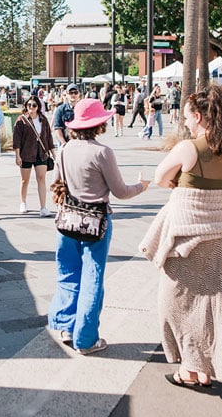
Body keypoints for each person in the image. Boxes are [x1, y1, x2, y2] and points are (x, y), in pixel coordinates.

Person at [140, 85, 222, 388]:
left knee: (176, 303)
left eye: (188, 117)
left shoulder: (190, 148)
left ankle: (189, 369)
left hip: (188, 237)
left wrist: (179, 183)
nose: (186, 123)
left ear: (199, 117)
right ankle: (203, 368)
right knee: (211, 306)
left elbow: (161, 177)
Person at [48, 98, 149, 355]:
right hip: (95, 221)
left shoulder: (65, 149)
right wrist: (141, 187)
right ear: (99, 124)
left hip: (67, 218)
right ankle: (86, 339)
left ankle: (66, 326)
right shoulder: (102, 152)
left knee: (68, 272)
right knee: (92, 276)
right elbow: (120, 191)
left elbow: (57, 182)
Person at [12, 95, 55, 217]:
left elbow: (49, 137)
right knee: (24, 180)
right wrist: (17, 155)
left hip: (41, 153)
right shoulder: (21, 120)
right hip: (26, 153)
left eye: (34, 105)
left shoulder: (43, 119)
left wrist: (54, 154)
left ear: (38, 107)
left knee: (41, 179)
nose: (31, 107)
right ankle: (23, 202)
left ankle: (43, 207)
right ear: (26, 106)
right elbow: (17, 139)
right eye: (29, 105)